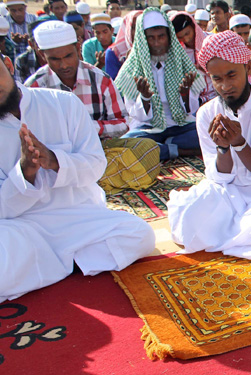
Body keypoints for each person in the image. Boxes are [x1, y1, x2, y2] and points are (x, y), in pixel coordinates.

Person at [0, 52, 156, 302]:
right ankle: (67, 260)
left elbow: (96, 166)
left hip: (79, 218)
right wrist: (26, 172)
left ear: (8, 65)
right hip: (24, 226)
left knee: (140, 235)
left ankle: (48, 264)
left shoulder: (62, 103)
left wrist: (52, 159)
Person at [167, 31, 251, 259]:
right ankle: (236, 236)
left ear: (247, 68)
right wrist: (223, 148)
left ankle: (226, 235)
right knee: (185, 219)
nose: (225, 86)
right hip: (227, 193)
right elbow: (218, 176)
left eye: (231, 75)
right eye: (217, 79)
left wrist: (239, 143)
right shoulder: (206, 113)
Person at [25, 20, 161, 195]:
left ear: (78, 48)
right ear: (43, 55)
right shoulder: (34, 87)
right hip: (54, 159)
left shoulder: (100, 79)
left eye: (68, 56)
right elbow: (27, 136)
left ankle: (80, 181)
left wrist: (88, 127)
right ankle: (84, 180)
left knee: (147, 147)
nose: (64, 65)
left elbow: (123, 123)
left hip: (97, 153)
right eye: (55, 59)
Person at [116, 9, 205, 161]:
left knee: (207, 134)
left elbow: (192, 110)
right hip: (148, 128)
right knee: (125, 144)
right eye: (151, 38)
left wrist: (185, 95)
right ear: (144, 39)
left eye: (161, 37)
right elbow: (134, 113)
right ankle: (176, 149)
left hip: (179, 126)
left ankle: (160, 147)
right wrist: (144, 98)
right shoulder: (131, 69)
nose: (157, 43)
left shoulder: (182, 62)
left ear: (169, 37)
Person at [171, 11, 217, 103]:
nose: (186, 39)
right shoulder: (178, 52)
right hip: (195, 101)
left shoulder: (213, 41)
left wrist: (205, 68)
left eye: (187, 33)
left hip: (217, 96)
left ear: (193, 27)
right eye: (180, 37)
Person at [104, 10, 142, 80]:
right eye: (133, 27)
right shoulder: (114, 52)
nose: (138, 30)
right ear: (127, 29)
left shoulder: (153, 47)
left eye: (141, 26)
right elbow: (114, 83)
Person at [13, 16, 49, 83]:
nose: (45, 46)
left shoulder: (63, 56)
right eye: (40, 42)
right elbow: (22, 88)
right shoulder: (22, 61)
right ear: (31, 44)